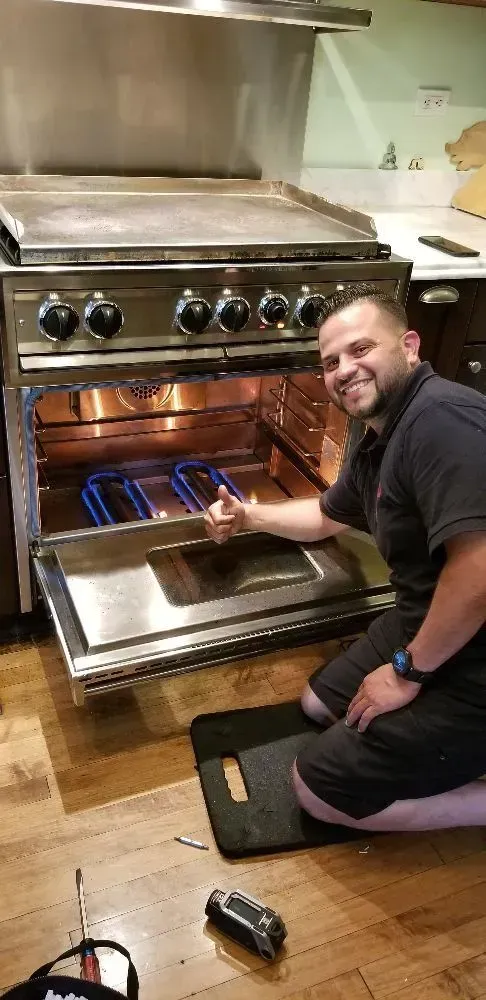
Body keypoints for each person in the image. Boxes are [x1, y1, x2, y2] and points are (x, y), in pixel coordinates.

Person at [204, 282, 486, 832]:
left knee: (319, 791)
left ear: (409, 346)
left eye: (361, 349)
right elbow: (328, 516)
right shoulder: (375, 429)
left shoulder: (442, 422)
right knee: (317, 703)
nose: (344, 371)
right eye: (330, 361)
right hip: (430, 621)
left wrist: (407, 672)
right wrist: (247, 516)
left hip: (478, 659)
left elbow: (478, 572)